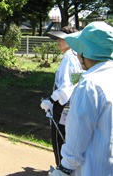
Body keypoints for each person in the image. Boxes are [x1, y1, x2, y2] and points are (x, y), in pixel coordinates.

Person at [49, 21, 113, 176]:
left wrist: (64, 169)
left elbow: (77, 136)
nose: (76, 53)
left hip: (92, 168)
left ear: (86, 52)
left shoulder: (90, 84)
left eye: (79, 48)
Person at [40, 26, 83, 166]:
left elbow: (65, 87)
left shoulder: (68, 59)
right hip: (73, 104)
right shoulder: (78, 56)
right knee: (69, 141)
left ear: (71, 40)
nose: (58, 41)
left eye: (61, 38)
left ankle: (61, 171)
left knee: (59, 142)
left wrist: (50, 101)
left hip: (62, 105)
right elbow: (75, 81)